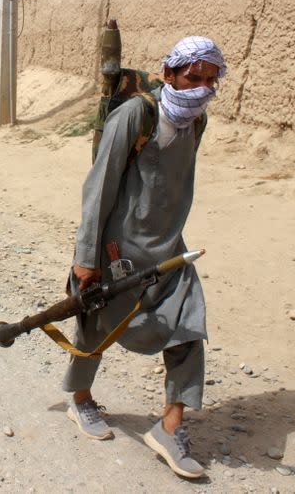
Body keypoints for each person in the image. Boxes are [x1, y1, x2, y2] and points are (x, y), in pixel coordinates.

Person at [63, 36, 226, 479]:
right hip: (118, 248)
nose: (202, 88)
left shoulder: (197, 121)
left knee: (189, 325)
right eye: (194, 77)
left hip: (170, 247)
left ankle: (170, 428)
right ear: (169, 73)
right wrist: (86, 256)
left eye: (212, 80)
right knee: (96, 327)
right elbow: (98, 187)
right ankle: (80, 400)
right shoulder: (136, 115)